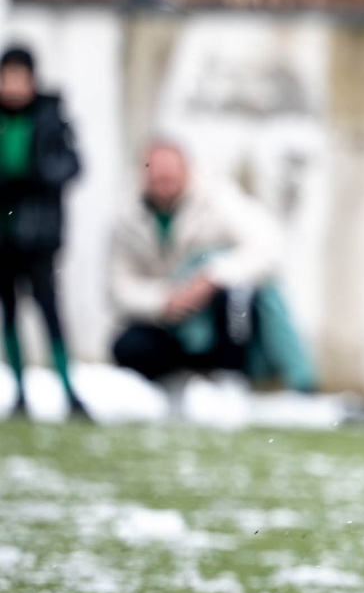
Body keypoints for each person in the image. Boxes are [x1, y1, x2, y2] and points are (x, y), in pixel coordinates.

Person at [108, 137, 297, 391]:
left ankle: (230, 383)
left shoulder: (218, 198)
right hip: (168, 322)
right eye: (157, 175)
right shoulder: (126, 216)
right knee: (127, 347)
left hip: (217, 319)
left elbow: (268, 245)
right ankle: (175, 386)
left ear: (187, 170)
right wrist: (165, 300)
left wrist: (209, 279)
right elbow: (119, 286)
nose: (164, 181)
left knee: (237, 298)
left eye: (170, 174)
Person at [1, 44, 88, 420]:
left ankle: (68, 390)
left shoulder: (51, 117)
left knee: (49, 311)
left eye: (20, 77)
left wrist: (35, 175)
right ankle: (19, 392)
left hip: (39, 236)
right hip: (3, 235)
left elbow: (71, 165)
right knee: (9, 312)